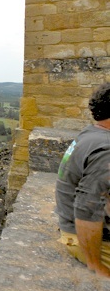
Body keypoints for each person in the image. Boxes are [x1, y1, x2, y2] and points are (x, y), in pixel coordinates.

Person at [57, 82, 110, 278]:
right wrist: (96, 266)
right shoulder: (106, 149)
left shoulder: (92, 133)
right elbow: (87, 210)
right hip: (92, 241)